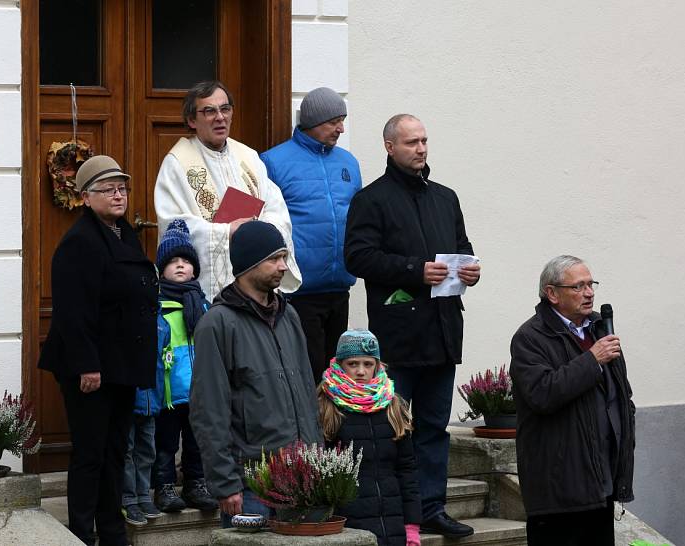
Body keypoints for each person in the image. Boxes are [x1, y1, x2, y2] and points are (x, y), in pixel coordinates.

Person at [344, 114, 480, 539]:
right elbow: (358, 258)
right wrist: (412, 270)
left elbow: (462, 247)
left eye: (424, 141)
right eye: (410, 143)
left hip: (441, 332)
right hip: (399, 336)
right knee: (392, 429)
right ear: (389, 147)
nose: (420, 149)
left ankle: (432, 507)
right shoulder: (372, 200)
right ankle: (395, 514)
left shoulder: (446, 197)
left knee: (435, 427)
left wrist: (470, 269)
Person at [38, 155, 157, 546]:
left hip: (121, 364)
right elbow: (73, 313)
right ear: (87, 198)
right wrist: (88, 366)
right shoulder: (80, 242)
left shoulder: (123, 233)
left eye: (122, 187)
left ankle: (112, 530)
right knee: (91, 453)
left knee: (114, 451)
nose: (118, 195)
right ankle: (81, 532)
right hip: (90, 368)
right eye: (108, 190)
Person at [188, 220, 321, 528]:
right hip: (251, 484)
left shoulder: (290, 316)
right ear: (249, 263)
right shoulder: (217, 324)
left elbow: (305, 390)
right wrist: (225, 482)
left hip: (302, 475)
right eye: (275, 259)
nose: (283, 266)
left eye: (284, 257)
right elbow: (209, 410)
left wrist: (316, 457)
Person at [509, 255, 636, 546]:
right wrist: (591, 360)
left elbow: (621, 395)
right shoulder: (531, 337)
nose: (589, 292)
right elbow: (542, 393)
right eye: (578, 286)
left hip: (600, 480)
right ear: (552, 293)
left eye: (591, 284)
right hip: (559, 489)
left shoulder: (599, 330)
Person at [154, 80, 301, 302]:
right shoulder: (177, 163)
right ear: (192, 120)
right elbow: (173, 226)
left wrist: (258, 230)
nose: (220, 117)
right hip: (206, 296)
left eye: (225, 109)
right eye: (209, 111)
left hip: (255, 280)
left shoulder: (248, 157)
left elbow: (275, 207)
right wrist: (226, 231)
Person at [260, 87, 362, 385]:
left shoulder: (348, 162)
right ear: (314, 121)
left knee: (336, 374)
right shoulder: (272, 162)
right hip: (298, 291)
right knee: (306, 371)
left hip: (339, 287)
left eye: (342, 120)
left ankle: (332, 431)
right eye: (334, 121)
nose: (341, 128)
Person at [317, 329, 422, 546]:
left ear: (377, 365)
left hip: (392, 524)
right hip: (348, 525)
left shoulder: (393, 406)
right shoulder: (326, 407)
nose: (361, 371)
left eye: (368, 364)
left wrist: (411, 526)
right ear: (340, 365)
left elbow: (406, 470)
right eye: (353, 364)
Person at [150, 219, 219, 514]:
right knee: (165, 443)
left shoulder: (202, 305)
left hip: (198, 390)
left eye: (186, 261)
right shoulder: (157, 305)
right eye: (173, 262)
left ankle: (196, 483)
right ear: (161, 269)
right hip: (168, 390)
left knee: (196, 441)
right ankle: (164, 486)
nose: (180, 266)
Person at [121, 374, 162, 525]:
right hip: (129, 402)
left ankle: (143, 495)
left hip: (151, 402)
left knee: (147, 452)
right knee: (127, 451)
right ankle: (128, 499)